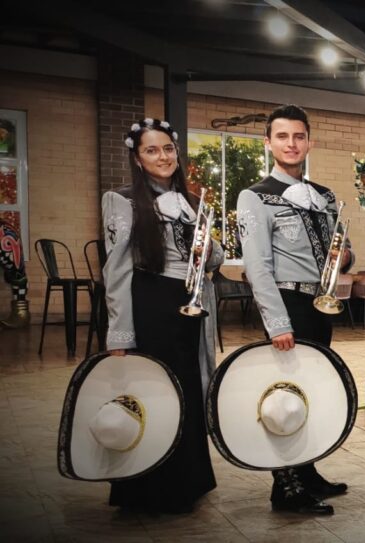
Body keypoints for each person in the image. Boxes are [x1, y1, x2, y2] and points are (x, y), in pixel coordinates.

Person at [236, 104, 352, 515]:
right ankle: (285, 488)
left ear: (309, 142)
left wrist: (345, 256)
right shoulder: (255, 196)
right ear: (268, 143)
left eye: (298, 136)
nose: (291, 143)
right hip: (287, 303)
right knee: (285, 398)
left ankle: (308, 471)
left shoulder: (323, 195)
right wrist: (277, 323)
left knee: (314, 391)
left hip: (319, 304)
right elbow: (257, 267)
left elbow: (336, 251)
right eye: (282, 136)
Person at [102, 118, 220, 513]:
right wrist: (120, 335)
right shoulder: (121, 200)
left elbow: (212, 258)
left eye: (168, 148)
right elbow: (115, 270)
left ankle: (187, 482)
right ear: (137, 158)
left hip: (190, 303)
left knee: (187, 388)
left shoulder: (189, 201)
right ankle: (150, 490)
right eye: (152, 150)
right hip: (152, 303)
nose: (163, 156)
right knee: (156, 392)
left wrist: (209, 243)